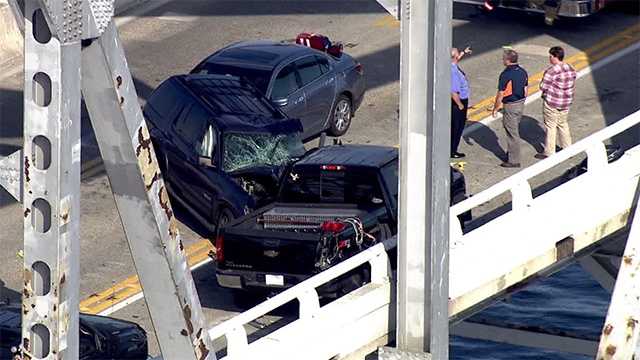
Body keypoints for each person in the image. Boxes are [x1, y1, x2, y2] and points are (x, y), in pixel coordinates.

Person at [536, 46, 576, 159]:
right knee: (563, 124)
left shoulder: (551, 71)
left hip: (552, 102)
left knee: (551, 126)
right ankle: (568, 149)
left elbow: (543, 86)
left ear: (555, 57)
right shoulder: (570, 67)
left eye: (551, 56)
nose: (549, 58)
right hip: (566, 102)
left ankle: (549, 152)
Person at [492, 49, 528, 168]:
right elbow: (526, 88)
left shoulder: (506, 74)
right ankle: (512, 153)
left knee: (512, 133)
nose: (502, 60)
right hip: (520, 103)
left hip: (511, 105)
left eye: (503, 59)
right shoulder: (522, 71)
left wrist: (496, 108)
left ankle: (513, 160)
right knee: (514, 128)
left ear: (507, 60)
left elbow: (501, 93)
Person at [451, 46, 472, 159]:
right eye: (458, 54)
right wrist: (460, 105)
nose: (459, 55)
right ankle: (452, 150)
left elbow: (456, 58)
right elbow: (454, 91)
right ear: (454, 57)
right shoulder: (453, 71)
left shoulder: (452, 64)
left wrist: (464, 52)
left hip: (460, 100)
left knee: (457, 125)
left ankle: (452, 148)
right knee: (457, 127)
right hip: (458, 102)